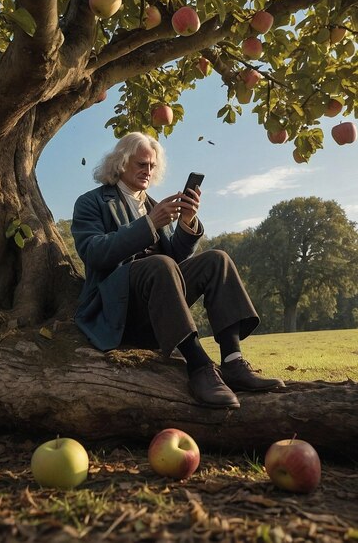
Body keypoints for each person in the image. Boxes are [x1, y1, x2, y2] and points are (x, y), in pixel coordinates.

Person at [71, 132, 285, 409]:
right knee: (160, 264)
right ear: (121, 164)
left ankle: (233, 362)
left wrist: (186, 222)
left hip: (159, 303)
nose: (148, 171)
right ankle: (199, 366)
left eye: (151, 166)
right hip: (118, 309)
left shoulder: (153, 205)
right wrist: (148, 224)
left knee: (216, 259)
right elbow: (94, 253)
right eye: (141, 165)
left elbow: (174, 257)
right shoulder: (92, 202)